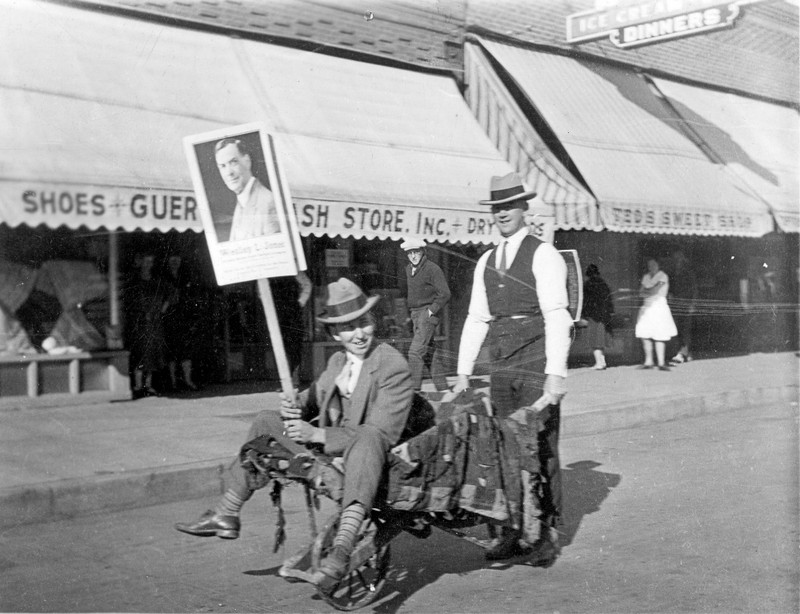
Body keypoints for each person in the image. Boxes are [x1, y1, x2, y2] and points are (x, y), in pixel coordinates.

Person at [175, 278, 413, 586]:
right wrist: (293, 405)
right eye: (348, 327)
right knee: (265, 420)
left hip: (372, 459)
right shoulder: (339, 361)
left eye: (363, 323)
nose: (358, 334)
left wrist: (316, 436)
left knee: (368, 437)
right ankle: (227, 512)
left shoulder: (392, 364)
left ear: (372, 321)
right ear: (334, 333)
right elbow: (311, 402)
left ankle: (342, 546)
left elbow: (382, 433)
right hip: (331, 456)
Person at [453, 172, 572, 566]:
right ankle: (511, 531)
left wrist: (557, 373)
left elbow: (558, 316)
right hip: (502, 366)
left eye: (510, 206)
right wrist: (464, 371)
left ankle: (546, 534)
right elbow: (476, 319)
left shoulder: (544, 254)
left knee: (539, 448)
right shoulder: (486, 261)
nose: (503, 213)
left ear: (524, 209)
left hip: (537, 363)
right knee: (503, 447)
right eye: (497, 208)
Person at [400, 238, 451, 392]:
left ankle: (413, 392)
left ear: (423, 252)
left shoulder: (432, 269)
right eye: (410, 253)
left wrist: (431, 311)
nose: (413, 256)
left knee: (415, 352)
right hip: (415, 315)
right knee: (430, 354)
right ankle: (444, 390)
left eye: (416, 252)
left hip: (427, 315)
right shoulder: (408, 269)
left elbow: (445, 294)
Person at [214, 138, 280, 241]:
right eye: (223, 166)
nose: (228, 172)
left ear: (247, 161)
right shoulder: (242, 201)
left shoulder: (268, 202)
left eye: (233, 162)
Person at [125, 252, 168, 397]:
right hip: (139, 322)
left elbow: (170, 295)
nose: (149, 264)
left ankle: (148, 386)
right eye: (146, 261)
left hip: (154, 322)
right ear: (141, 262)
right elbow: (129, 302)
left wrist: (161, 310)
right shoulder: (135, 281)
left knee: (152, 353)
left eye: (151, 261)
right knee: (140, 352)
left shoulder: (156, 281)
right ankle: (138, 386)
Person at [269, 271, 312, 386]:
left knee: (294, 347)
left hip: (293, 313)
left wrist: (299, 303)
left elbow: (307, 285)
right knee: (280, 346)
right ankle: (283, 381)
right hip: (276, 313)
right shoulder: (269, 270)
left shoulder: (294, 271)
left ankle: (294, 379)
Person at [163, 254, 198, 391]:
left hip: (183, 318)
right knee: (171, 351)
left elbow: (189, 297)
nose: (175, 263)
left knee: (186, 350)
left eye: (177, 260)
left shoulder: (185, 277)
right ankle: (173, 383)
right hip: (170, 318)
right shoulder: (164, 278)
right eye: (172, 260)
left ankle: (187, 381)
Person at [635, 257, 678, 371]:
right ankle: (648, 361)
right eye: (649, 265)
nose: (651, 267)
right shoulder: (646, 277)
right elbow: (641, 293)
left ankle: (661, 362)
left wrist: (647, 291)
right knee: (644, 333)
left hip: (659, 307)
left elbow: (654, 290)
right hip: (647, 308)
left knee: (660, 334)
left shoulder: (663, 276)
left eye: (653, 264)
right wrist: (649, 291)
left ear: (658, 265)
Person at [582, 264, 614, 370]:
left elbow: (586, 302)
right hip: (604, 316)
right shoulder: (603, 283)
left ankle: (599, 363)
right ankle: (602, 362)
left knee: (594, 341)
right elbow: (609, 300)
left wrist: (583, 314)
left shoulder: (587, 284)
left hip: (593, 317)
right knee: (600, 340)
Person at [668, 249, 698, 365]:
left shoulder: (688, 272)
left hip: (686, 304)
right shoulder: (674, 272)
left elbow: (694, 289)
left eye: (679, 258)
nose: (677, 261)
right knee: (679, 328)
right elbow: (671, 288)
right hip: (677, 304)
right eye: (675, 259)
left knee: (685, 329)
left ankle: (682, 353)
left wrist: (693, 305)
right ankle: (685, 352)